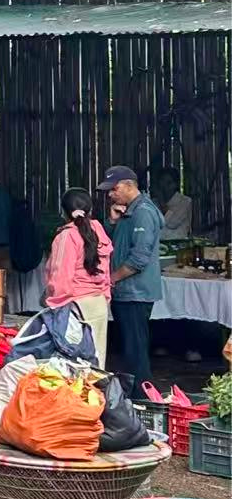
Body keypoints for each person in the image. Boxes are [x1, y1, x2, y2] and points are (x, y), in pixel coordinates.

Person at [100, 164, 163, 391]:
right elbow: (112, 244)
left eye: (114, 188)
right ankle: (135, 396)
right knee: (130, 348)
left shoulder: (143, 212)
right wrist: (114, 222)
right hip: (127, 291)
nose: (110, 194)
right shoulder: (128, 211)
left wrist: (112, 278)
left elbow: (139, 258)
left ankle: (142, 399)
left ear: (129, 185)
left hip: (135, 292)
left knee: (135, 350)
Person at [45, 187, 113, 366]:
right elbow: (105, 269)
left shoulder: (67, 236)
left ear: (63, 212)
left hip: (75, 306)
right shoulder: (98, 230)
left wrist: (55, 307)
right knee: (97, 362)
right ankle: (96, 394)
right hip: (97, 303)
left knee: (73, 364)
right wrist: (105, 296)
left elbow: (61, 276)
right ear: (90, 210)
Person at [152, 167, 194, 242]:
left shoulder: (184, 202)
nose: (165, 187)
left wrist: (162, 202)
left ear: (176, 184)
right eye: (162, 183)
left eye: (168, 183)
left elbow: (172, 223)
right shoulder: (154, 203)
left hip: (178, 245)